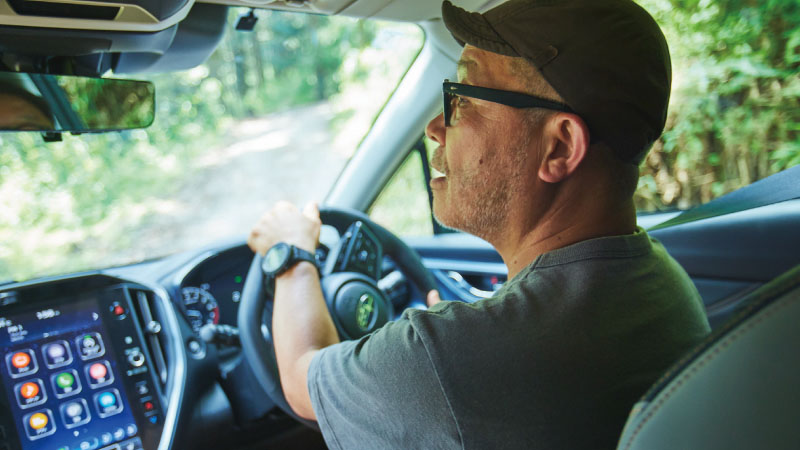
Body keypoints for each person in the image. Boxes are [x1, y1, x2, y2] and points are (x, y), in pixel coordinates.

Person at [247, 0, 711, 448]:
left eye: (462, 98)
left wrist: (291, 255)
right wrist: (449, 347)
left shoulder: (451, 360)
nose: (434, 126)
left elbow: (299, 380)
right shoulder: (661, 282)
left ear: (560, 147)